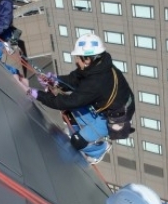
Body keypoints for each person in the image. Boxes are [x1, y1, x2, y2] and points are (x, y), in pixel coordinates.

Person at [26, 33, 135, 163]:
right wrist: (55, 80)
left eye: (78, 57)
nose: (76, 60)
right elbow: (74, 79)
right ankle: (77, 132)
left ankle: (98, 151)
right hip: (109, 108)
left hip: (114, 118)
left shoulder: (97, 81)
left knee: (77, 141)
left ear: (88, 59)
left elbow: (68, 102)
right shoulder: (98, 66)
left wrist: (39, 95)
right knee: (69, 112)